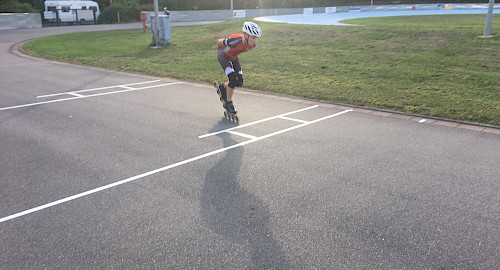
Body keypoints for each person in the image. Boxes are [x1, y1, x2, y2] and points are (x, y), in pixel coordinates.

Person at [216, 21, 262, 114]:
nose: (255, 40)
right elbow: (219, 42)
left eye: (256, 38)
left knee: (239, 81)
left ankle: (223, 87)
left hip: (234, 57)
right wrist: (219, 49)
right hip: (224, 56)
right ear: (245, 35)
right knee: (232, 79)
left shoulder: (252, 45)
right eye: (253, 37)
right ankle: (228, 103)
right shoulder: (234, 40)